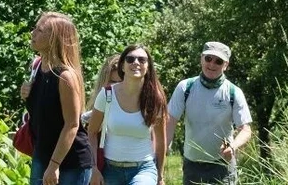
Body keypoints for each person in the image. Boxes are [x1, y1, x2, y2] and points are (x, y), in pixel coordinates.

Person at [166, 41, 253, 185]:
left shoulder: (233, 92)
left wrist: (233, 147)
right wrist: (164, 147)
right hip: (192, 165)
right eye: (208, 58)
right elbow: (170, 120)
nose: (212, 64)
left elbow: (245, 129)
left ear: (226, 65)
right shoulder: (185, 87)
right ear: (201, 59)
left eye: (218, 61)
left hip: (222, 166)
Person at [22, 12, 93, 185]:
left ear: (54, 38)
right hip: (42, 154)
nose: (33, 33)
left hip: (70, 162)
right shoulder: (37, 66)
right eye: (35, 29)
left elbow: (72, 124)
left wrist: (54, 166)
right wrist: (25, 93)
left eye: (39, 30)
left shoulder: (65, 77)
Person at [85, 44, 168, 185]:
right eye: (130, 59)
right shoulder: (107, 94)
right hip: (110, 169)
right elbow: (91, 132)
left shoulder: (155, 99)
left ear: (148, 67)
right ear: (122, 66)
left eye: (142, 60)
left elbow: (161, 142)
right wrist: (94, 169)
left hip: (144, 169)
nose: (136, 63)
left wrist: (160, 176)